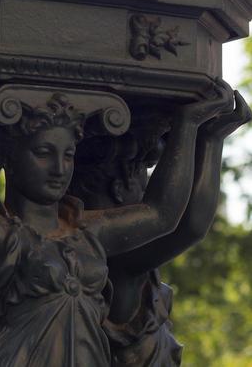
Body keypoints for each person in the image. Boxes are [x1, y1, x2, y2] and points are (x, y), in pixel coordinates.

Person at [0, 42, 234, 367]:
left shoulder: (87, 232)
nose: (60, 168)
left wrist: (191, 126)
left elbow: (164, 213)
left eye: (68, 154)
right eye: (44, 153)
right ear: (10, 157)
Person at [70, 92, 251, 365]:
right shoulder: (113, 261)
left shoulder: (100, 252)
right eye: (144, 178)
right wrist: (204, 137)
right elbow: (189, 226)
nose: (147, 190)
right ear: (119, 190)